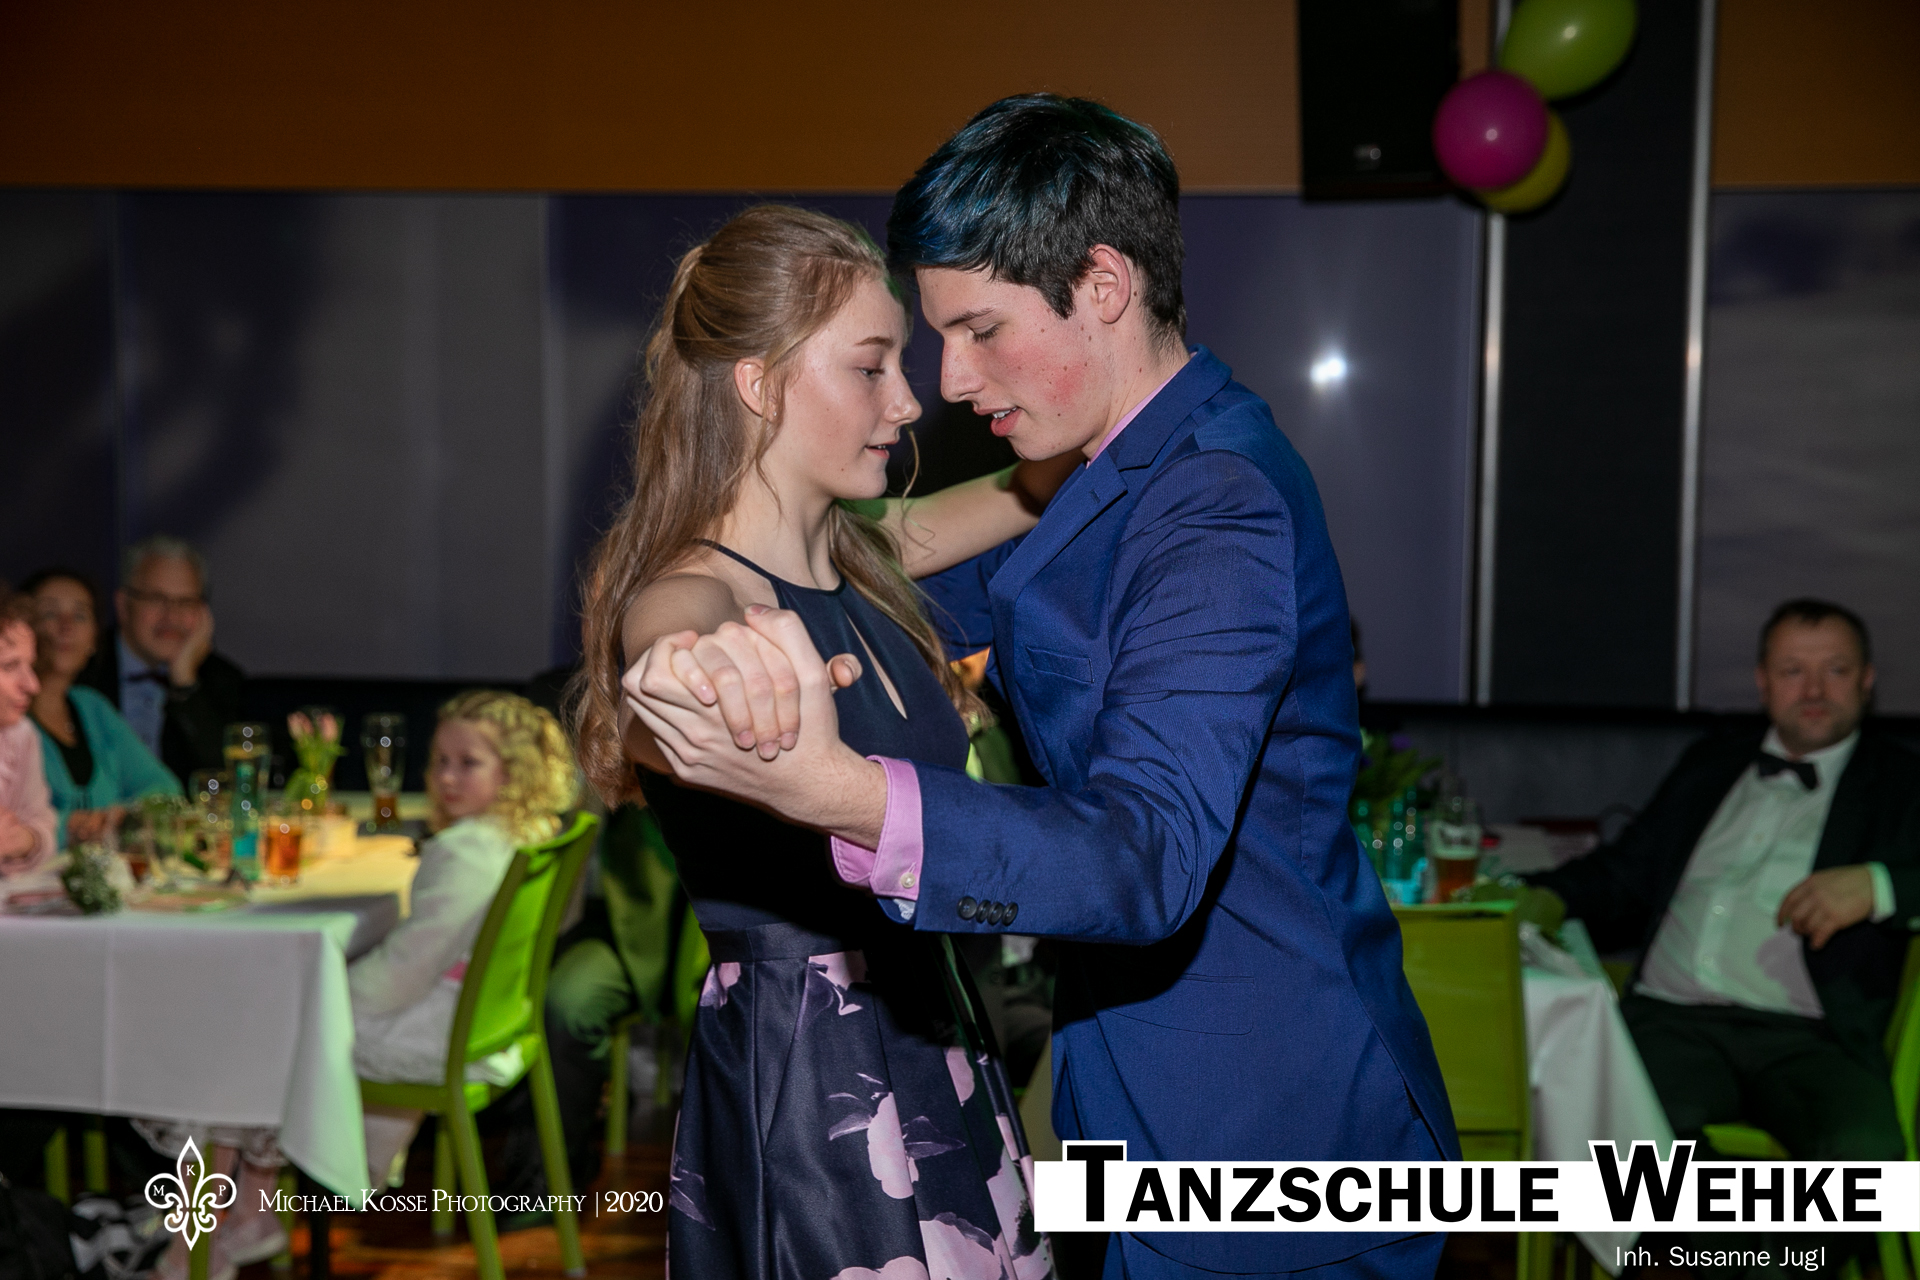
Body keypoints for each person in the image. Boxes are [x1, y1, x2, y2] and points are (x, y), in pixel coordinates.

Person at [626, 96, 1457, 1280]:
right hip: (1131, 1094)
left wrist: (839, 790)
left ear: (1104, 284)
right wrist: (685, 638)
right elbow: (839, 573)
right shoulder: (1101, 479)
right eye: (919, 344)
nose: (949, 381)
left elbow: (1145, 854)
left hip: (1261, 1118)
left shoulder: (1212, 503)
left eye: (980, 330)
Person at [575, 204, 1079, 1277]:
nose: (908, 399)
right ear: (759, 385)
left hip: (937, 1029)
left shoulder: (864, 553)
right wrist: (694, 671)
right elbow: (669, 646)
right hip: (817, 1087)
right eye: (870, 366)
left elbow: (1034, 484)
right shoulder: (697, 588)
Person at [1529, 600, 1920, 1165]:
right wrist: (1533, 894)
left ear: (1867, 680)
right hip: (1672, 1020)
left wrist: (1878, 886)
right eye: (1792, 670)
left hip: (1813, 1036)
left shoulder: (1904, 785)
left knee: (1866, 1155)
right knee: (1622, 1141)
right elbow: (1623, 872)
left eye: (1835, 669)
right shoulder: (1711, 763)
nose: (1813, 689)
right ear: (1763, 683)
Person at [352, 690, 579, 1184]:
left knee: (289, 1024)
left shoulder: (467, 852)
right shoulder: (531, 832)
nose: (446, 777)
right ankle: (356, 1170)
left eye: (467, 763)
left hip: (451, 1036)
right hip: (495, 1022)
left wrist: (329, 996)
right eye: (440, 761)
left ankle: (263, 1193)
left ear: (513, 772)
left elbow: (405, 972)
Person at [21, 568, 182, 847]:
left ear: (94, 639)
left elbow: (166, 791)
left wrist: (126, 816)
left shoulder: (92, 707)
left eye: (80, 616)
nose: (66, 626)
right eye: (49, 614)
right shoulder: (9, 716)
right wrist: (68, 828)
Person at [77, 536, 244, 783]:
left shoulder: (222, 679)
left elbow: (232, 779)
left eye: (186, 602)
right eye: (156, 599)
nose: (171, 616)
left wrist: (185, 684)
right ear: (123, 605)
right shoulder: (82, 669)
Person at [0, 590, 57, 878]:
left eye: (31, 666)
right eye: (10, 666)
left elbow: (43, 824)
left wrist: (23, 840)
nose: (32, 685)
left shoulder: (20, 735)